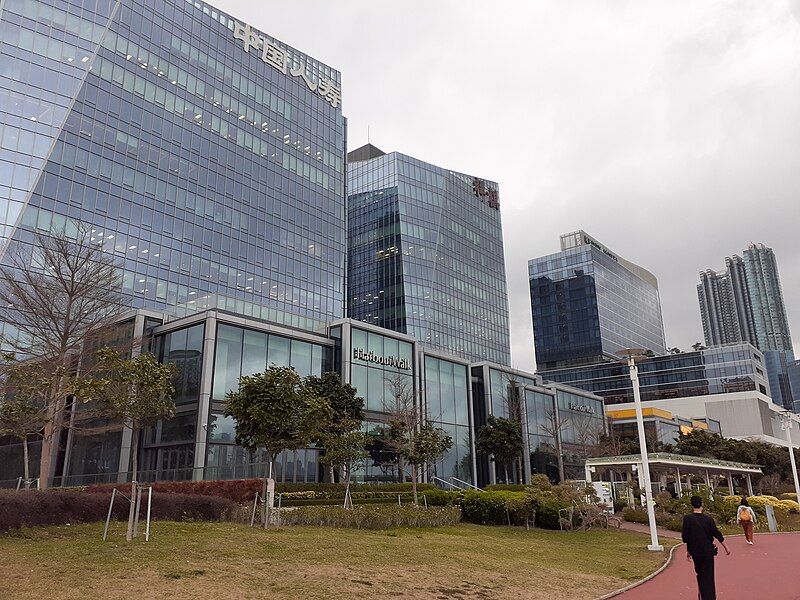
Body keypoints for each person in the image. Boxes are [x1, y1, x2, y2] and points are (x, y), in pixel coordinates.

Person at [682, 495, 730, 600]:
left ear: (691, 505)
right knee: (708, 576)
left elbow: (685, 536)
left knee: (700, 573)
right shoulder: (708, 520)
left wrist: (688, 551)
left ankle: (702, 594)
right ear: (702, 504)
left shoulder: (687, 519)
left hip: (695, 551)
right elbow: (716, 534)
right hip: (707, 551)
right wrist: (726, 547)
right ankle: (709, 597)